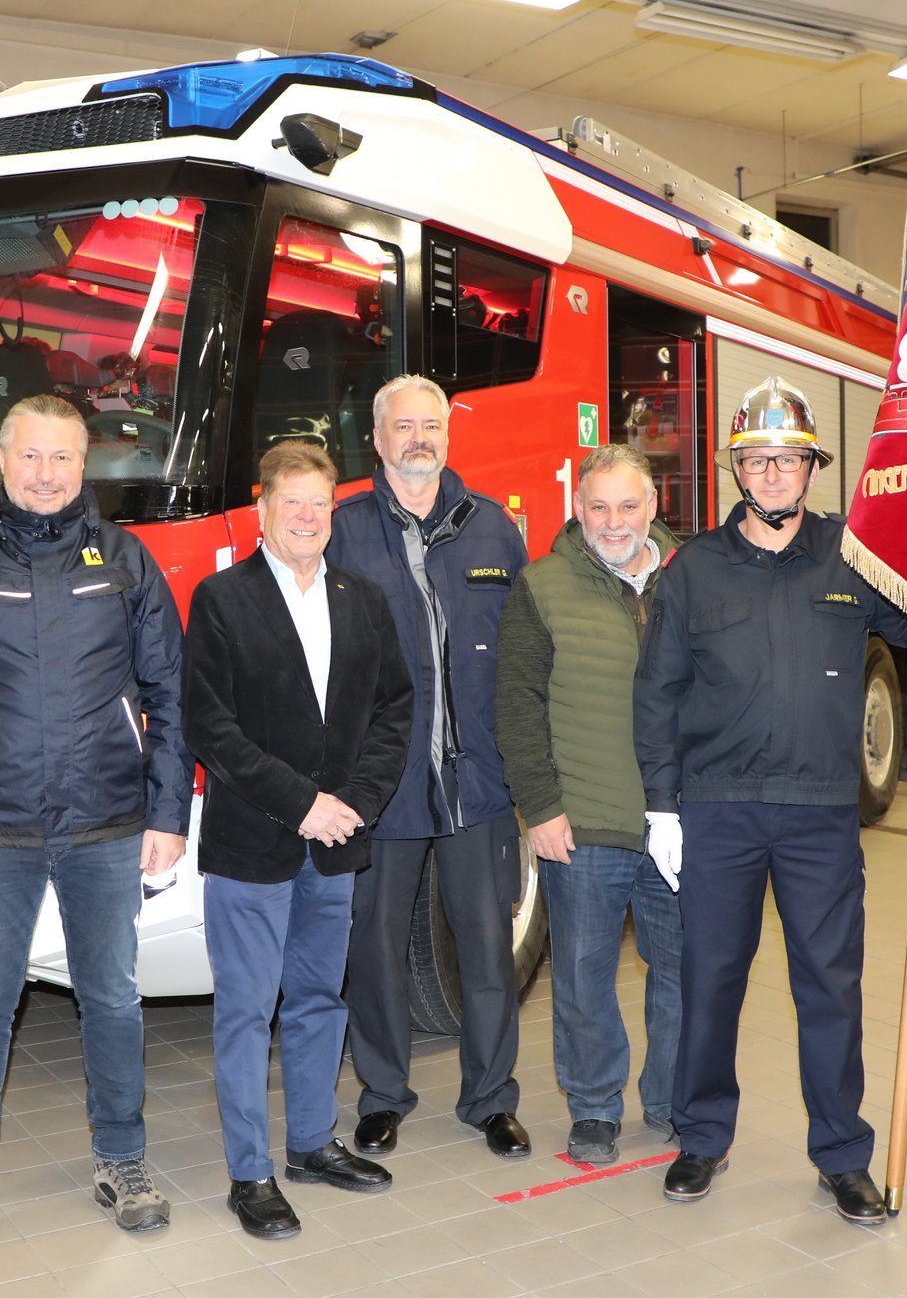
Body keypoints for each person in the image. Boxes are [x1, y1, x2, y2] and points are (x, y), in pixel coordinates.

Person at [0, 393, 190, 1257]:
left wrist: (168, 813)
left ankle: (123, 1161)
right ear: (2, 459)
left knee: (113, 1000)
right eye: (31, 455)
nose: (47, 473)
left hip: (107, 821)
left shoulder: (126, 560)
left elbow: (170, 694)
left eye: (63, 457)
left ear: (84, 463)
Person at [634, 377, 907, 1226]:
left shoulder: (853, 556)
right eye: (757, 460)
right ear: (736, 469)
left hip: (820, 813)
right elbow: (657, 694)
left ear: (811, 468)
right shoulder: (693, 570)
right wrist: (662, 806)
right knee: (710, 979)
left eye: (788, 460)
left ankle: (842, 1154)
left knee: (830, 987)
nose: (772, 474)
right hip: (718, 809)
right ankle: (701, 1137)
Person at [183, 441, 414, 1240]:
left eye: (321, 504)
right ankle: (250, 1173)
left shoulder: (362, 599)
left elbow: (394, 710)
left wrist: (355, 803)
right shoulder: (222, 599)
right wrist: (301, 804)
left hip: (337, 839)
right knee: (247, 1012)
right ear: (263, 511)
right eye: (294, 503)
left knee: (320, 999)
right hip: (254, 842)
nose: (309, 518)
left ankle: (313, 1143)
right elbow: (211, 727)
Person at [328, 374, 534, 1160]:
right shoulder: (342, 532)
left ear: (448, 435)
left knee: (486, 946)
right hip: (382, 783)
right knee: (376, 947)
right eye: (404, 426)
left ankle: (491, 1099)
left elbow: (524, 654)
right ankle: (383, 1095)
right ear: (377, 439)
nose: (419, 439)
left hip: (477, 780)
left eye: (432, 426)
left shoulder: (493, 529)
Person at [495, 443, 683, 1164]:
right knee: (581, 977)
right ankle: (596, 1108)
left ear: (653, 506)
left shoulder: (692, 577)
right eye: (598, 506)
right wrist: (540, 809)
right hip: (583, 823)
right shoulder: (542, 586)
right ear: (577, 508)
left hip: (677, 822)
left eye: (628, 505)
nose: (614, 521)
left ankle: (672, 1101)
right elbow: (517, 706)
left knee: (684, 971)